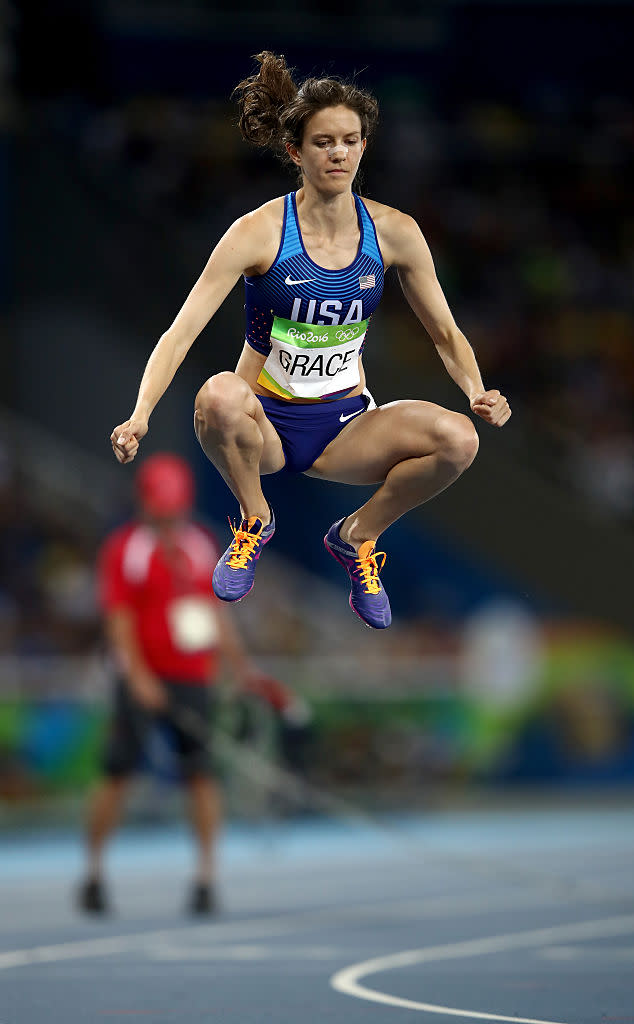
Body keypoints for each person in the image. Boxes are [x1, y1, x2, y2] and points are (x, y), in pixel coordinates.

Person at [110, 52, 511, 631]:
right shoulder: (258, 233)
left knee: (458, 440)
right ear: (297, 151)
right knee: (218, 396)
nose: (339, 153)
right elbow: (180, 332)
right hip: (265, 425)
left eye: (351, 140)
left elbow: (446, 332)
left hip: (347, 427)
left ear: (364, 147)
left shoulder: (395, 232)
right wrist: (140, 413)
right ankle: (254, 518)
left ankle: (357, 537)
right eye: (324, 142)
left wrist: (477, 389)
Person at [79, 452, 273, 916]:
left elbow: (216, 613)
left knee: (201, 777)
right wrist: (140, 677)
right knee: (118, 773)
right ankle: (94, 872)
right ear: (144, 504)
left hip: (191, 678)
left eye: (176, 511)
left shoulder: (202, 545)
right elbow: (119, 620)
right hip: (141, 677)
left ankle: (206, 878)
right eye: (160, 512)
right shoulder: (125, 549)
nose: (169, 521)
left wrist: (239, 666)